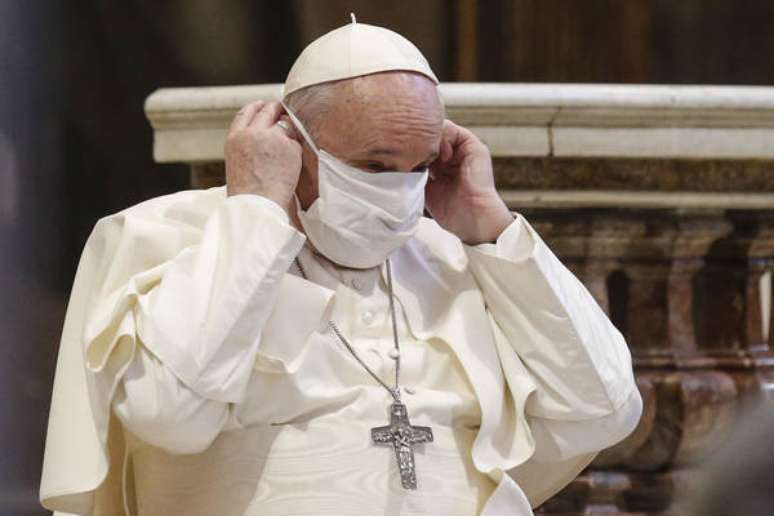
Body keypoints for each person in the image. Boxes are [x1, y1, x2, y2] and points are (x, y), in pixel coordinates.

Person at [39, 17, 642, 516]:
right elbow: (169, 414)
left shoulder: (453, 257)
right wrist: (255, 213)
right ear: (290, 140)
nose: (399, 191)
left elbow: (606, 409)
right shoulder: (166, 238)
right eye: (375, 166)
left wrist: (492, 228)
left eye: (418, 167)